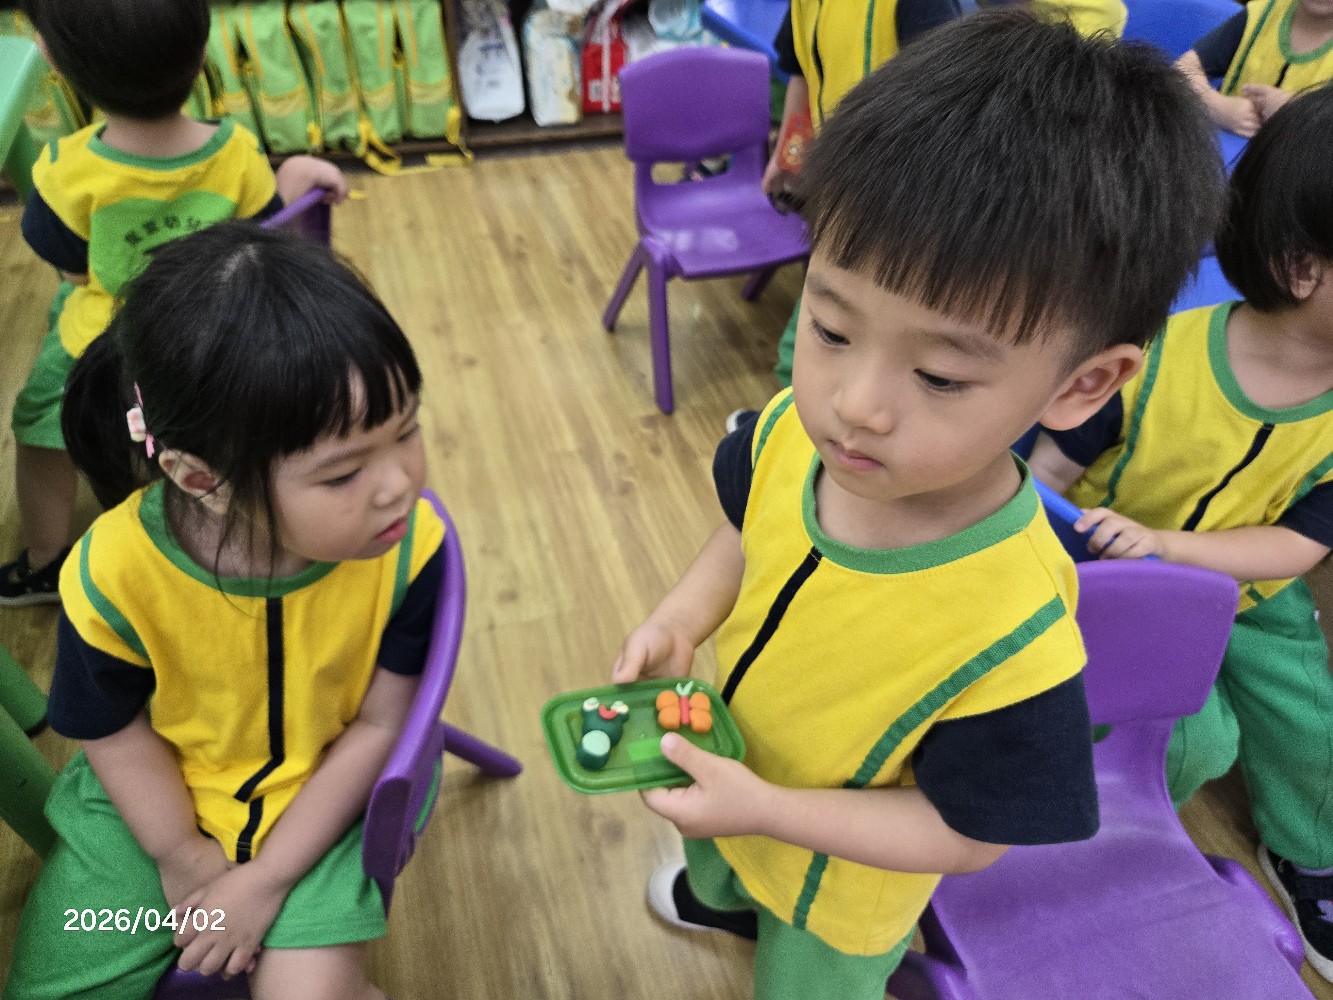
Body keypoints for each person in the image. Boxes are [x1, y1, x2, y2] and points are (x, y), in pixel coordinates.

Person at [613, 13, 1223, 1000]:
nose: (854, 405)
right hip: (733, 760)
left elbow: (966, 835)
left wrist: (765, 808)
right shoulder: (790, 429)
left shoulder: (1012, 624)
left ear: (1081, 385)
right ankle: (725, 896)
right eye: (829, 327)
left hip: (838, 892)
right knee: (719, 861)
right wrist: (682, 618)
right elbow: (743, 529)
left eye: (938, 376)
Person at [3, 223, 438, 1000]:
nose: (399, 485)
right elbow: (111, 730)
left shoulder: (410, 552)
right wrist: (181, 854)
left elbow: (380, 725)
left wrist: (264, 880)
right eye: (342, 474)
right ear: (197, 476)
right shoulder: (112, 575)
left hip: (327, 798)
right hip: (147, 807)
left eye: (406, 430)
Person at [1027, 82, 1333, 983]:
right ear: (1302, 268)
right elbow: (1042, 474)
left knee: (1308, 726)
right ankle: (1078, 829)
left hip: (1250, 592)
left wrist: (1175, 549)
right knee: (1192, 739)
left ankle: (1307, 855)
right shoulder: (1156, 355)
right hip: (1110, 580)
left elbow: (1298, 546)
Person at [0, 0, 349, 606]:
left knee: (38, 430)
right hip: (213, 340)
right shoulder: (237, 151)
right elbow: (261, 237)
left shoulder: (63, 171)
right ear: (203, 50)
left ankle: (45, 561)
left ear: (51, 59)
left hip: (103, 352)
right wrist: (291, 176)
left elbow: (75, 273)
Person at [763, 0, 1127, 387]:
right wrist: (792, 154)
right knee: (819, 335)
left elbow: (976, 115)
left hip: (911, 215)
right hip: (845, 195)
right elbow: (801, 65)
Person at [1176, 0, 1333, 138]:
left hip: (1299, 159)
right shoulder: (1260, 15)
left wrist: (1299, 112)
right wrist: (1218, 107)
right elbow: (1182, 69)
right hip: (1225, 151)